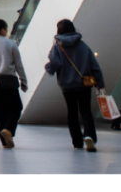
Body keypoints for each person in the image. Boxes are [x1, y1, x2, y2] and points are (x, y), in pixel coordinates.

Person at [45, 20, 105, 153]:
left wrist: (48, 69)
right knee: (86, 111)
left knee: (72, 112)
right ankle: (89, 136)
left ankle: (77, 142)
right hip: (84, 84)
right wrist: (100, 84)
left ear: (59, 30)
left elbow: (54, 64)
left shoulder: (57, 47)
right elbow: (94, 65)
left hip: (67, 86)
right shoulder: (83, 45)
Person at [0, 19, 28, 149]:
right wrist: (23, 80)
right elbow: (18, 64)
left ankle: (4, 142)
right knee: (16, 107)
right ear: (3, 29)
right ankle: (8, 129)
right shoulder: (10, 43)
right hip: (9, 81)